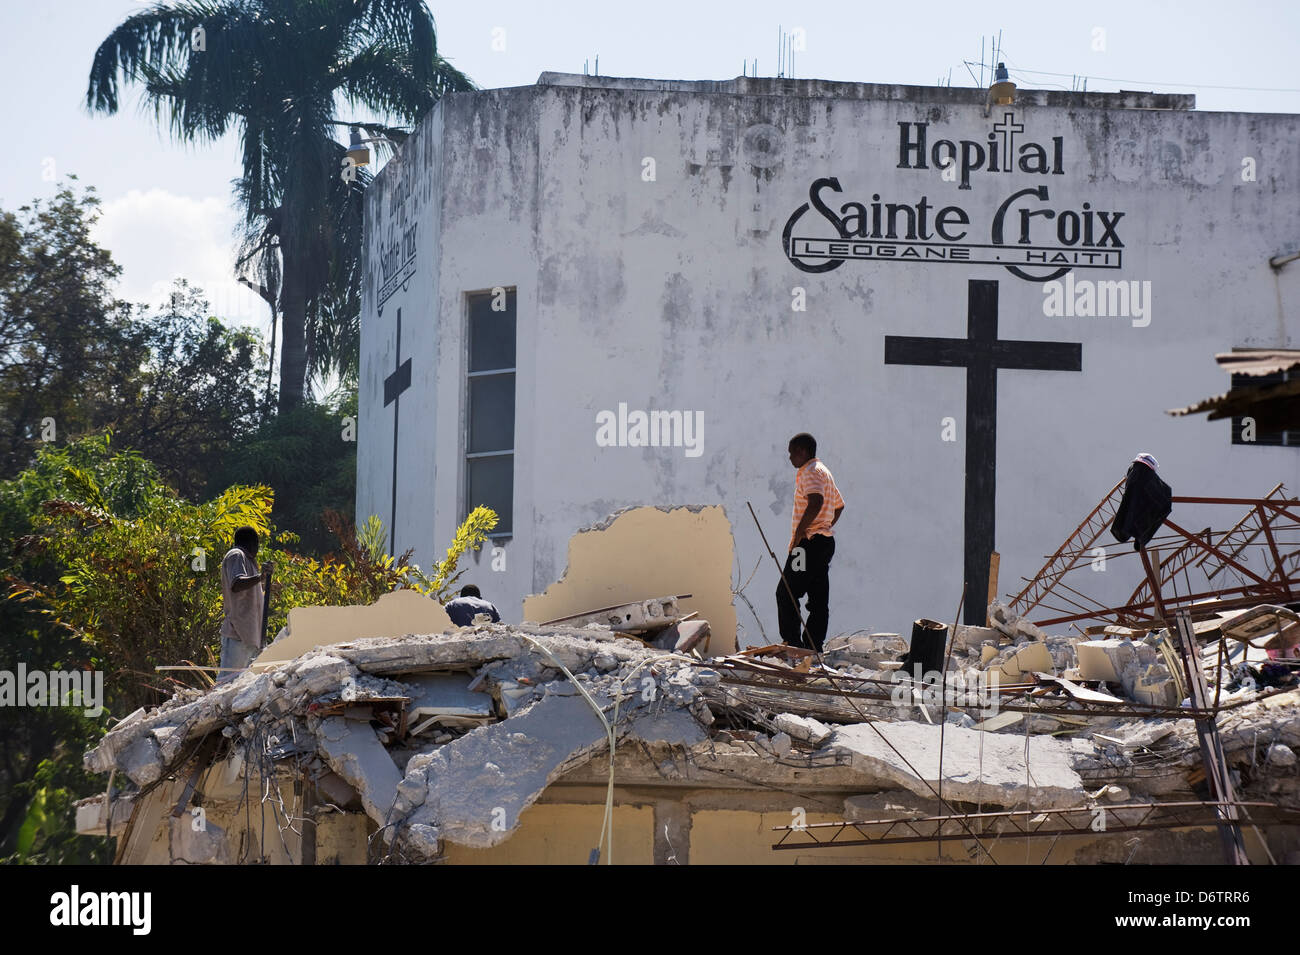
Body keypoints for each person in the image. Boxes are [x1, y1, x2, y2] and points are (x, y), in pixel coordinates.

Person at [776, 433, 845, 652]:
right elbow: (839, 505)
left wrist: (800, 533)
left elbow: (816, 501)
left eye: (792, 453)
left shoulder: (810, 472)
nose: (789, 458)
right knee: (817, 597)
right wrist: (825, 524)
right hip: (824, 543)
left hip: (806, 545)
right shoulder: (825, 472)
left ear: (802, 452)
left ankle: (793, 644)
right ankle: (814, 646)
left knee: (786, 591)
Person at [219, 526, 271, 681]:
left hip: (251, 635)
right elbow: (237, 583)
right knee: (227, 682)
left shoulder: (248, 560)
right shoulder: (236, 555)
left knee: (242, 685)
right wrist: (261, 577)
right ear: (252, 543)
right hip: (238, 633)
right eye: (257, 544)